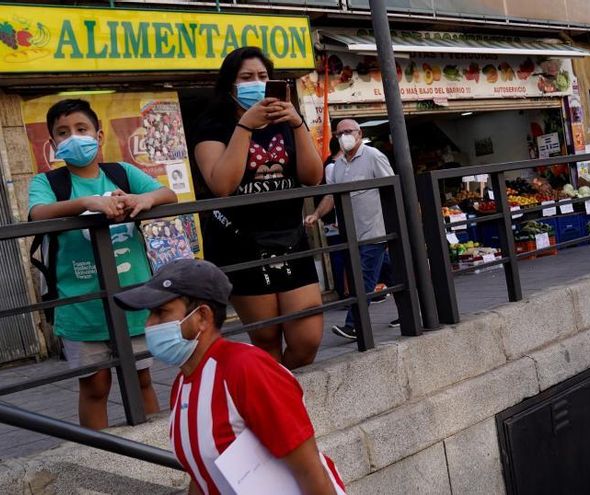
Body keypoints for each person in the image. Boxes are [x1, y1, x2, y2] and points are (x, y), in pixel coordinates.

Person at [113, 259, 345, 495]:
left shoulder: (245, 368)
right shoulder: (183, 384)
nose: (149, 324)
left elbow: (310, 471)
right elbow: (202, 476)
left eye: (160, 312)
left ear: (202, 316)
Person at [28, 99, 177, 429]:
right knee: (94, 387)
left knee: (141, 378)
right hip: (81, 307)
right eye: (63, 133)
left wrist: (144, 198)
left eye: (81, 129)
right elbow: (37, 213)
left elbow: (168, 194)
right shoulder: (47, 184)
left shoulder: (122, 172)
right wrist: (85, 203)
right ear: (53, 145)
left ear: (98, 135)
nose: (74, 137)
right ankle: (102, 454)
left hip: (133, 300)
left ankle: (156, 448)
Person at [192, 47, 324, 369]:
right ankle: (274, 402)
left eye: (263, 76)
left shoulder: (286, 121)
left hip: (290, 238)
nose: (257, 83)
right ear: (229, 86)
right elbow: (221, 185)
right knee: (265, 339)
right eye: (246, 77)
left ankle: (285, 391)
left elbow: (313, 177)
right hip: (240, 244)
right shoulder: (213, 127)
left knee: (306, 339)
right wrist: (245, 127)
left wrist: (297, 125)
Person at [308, 120, 394, 340]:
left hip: (375, 230)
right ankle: (419, 303)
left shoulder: (373, 156)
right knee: (390, 272)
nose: (344, 136)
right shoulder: (337, 166)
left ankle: (354, 324)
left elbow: (391, 187)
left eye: (348, 132)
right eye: (340, 133)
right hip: (353, 232)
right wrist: (317, 214)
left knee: (363, 277)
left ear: (359, 133)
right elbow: (331, 195)